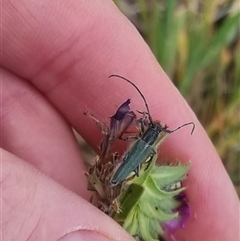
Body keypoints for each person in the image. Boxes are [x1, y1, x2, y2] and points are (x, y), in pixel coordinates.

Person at [2, 1, 238, 241]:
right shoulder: (146, 143)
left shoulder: (146, 141)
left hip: (123, 172)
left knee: (135, 158)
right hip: (122, 173)